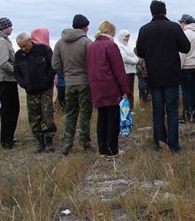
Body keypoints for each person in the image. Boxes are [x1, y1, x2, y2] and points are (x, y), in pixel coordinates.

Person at [136, 0, 190, 152]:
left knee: (157, 111)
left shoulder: (144, 29)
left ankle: (160, 143)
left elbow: (140, 52)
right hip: (171, 75)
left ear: (151, 12)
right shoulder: (174, 27)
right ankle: (173, 145)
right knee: (172, 111)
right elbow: (186, 47)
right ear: (165, 11)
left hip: (154, 76)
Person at [87, 20, 130, 157]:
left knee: (102, 118)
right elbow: (119, 69)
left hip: (96, 87)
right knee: (113, 118)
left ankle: (102, 149)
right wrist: (124, 89)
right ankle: (112, 149)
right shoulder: (110, 45)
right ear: (111, 32)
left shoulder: (92, 46)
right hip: (110, 87)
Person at [52, 14, 93, 155]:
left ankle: (66, 144)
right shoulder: (86, 42)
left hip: (69, 83)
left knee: (70, 113)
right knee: (85, 113)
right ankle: (85, 142)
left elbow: (55, 64)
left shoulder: (60, 43)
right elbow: (94, 63)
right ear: (84, 26)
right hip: (85, 83)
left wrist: (66, 74)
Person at [14, 32, 57, 152]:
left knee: (47, 113)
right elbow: (17, 73)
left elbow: (53, 66)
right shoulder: (18, 56)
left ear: (30, 41)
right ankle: (40, 141)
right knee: (34, 116)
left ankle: (49, 140)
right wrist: (24, 84)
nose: (24, 49)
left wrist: (47, 80)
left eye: (24, 45)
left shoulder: (43, 50)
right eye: (20, 47)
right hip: (31, 91)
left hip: (45, 89)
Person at [0, 17, 20, 149]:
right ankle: (7, 140)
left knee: (10, 109)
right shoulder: (1, 42)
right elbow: (3, 63)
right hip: (6, 79)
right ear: (4, 27)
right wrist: (16, 71)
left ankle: (8, 138)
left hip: (5, 79)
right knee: (10, 110)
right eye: (10, 26)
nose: (12, 28)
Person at [115, 30, 139, 110]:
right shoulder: (119, 46)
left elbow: (135, 56)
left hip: (132, 71)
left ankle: (131, 108)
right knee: (126, 92)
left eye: (128, 36)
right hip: (125, 72)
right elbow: (124, 58)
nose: (128, 38)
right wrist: (134, 61)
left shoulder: (128, 46)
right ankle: (125, 109)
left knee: (131, 92)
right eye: (126, 36)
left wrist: (135, 60)